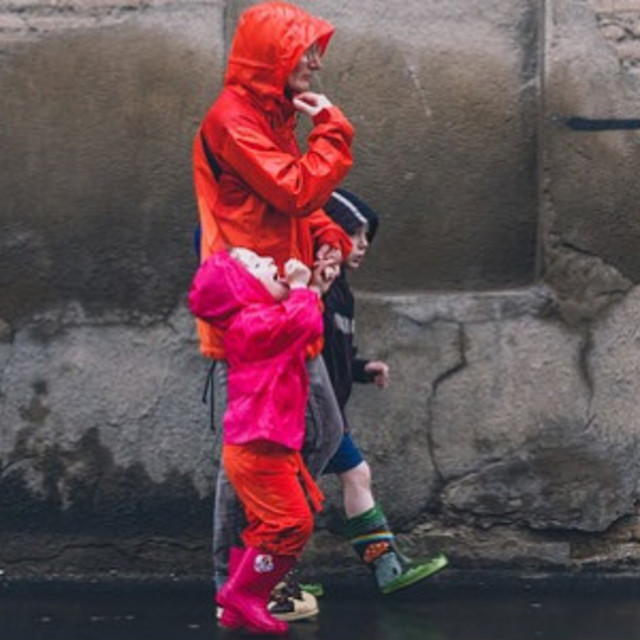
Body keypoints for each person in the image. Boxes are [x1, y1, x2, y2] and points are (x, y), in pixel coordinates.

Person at [191, 0, 355, 621]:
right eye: (303, 49)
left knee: (299, 440)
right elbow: (294, 186)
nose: (315, 59)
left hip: (283, 305)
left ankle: (254, 573)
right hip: (251, 313)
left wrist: (328, 241)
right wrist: (335, 131)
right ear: (271, 58)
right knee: (263, 450)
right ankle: (238, 581)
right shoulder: (233, 120)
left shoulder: (268, 115)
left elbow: (287, 202)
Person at [188, 247, 328, 635]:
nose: (270, 262)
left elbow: (305, 324)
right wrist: (302, 288)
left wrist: (312, 290)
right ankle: (243, 592)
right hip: (256, 449)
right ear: (240, 290)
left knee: (269, 524)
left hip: (268, 446)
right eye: (255, 264)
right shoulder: (249, 324)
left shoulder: (263, 319)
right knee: (292, 523)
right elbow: (302, 324)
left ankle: (238, 602)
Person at [321, 189, 449, 594]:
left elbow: (336, 353)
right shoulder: (317, 288)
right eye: (355, 234)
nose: (363, 245)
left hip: (328, 415)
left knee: (356, 474)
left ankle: (387, 567)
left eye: (365, 237)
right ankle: (266, 582)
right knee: (286, 501)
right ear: (329, 234)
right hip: (303, 413)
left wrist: (361, 369)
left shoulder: (341, 291)